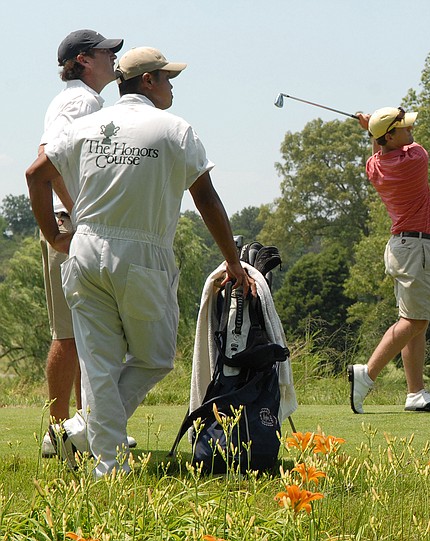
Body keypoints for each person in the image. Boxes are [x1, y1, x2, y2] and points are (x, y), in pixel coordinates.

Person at [26, 46, 255, 477]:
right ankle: (89, 434)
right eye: (166, 78)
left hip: (86, 250)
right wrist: (233, 262)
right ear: (147, 81)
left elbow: (35, 173)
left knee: (100, 362)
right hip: (142, 252)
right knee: (155, 357)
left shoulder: (86, 125)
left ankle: (105, 462)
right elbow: (205, 197)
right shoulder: (174, 129)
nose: (171, 86)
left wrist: (55, 235)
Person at [37, 29, 139, 458]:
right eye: (106, 53)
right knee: (71, 335)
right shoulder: (83, 100)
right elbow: (47, 159)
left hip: (72, 223)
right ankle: (60, 434)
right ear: (83, 60)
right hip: (72, 225)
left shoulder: (80, 98)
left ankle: (84, 428)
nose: (113, 59)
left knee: (85, 334)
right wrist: (77, 212)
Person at [347, 106, 430, 414]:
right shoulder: (416, 159)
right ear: (390, 136)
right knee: (415, 320)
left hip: (401, 247)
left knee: (415, 320)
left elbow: (378, 152)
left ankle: (415, 392)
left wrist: (373, 132)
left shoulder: (375, 165)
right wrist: (372, 130)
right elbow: (407, 147)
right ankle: (367, 373)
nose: (411, 131)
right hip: (416, 247)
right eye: (404, 128)